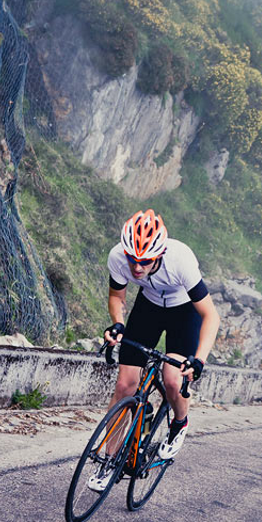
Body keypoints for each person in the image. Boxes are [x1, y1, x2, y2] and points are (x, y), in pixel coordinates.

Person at [88, 209, 220, 492]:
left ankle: (179, 424)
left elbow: (211, 316)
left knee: (172, 378)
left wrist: (199, 359)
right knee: (125, 385)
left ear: (159, 254)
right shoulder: (117, 257)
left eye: (145, 262)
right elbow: (117, 296)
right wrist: (118, 324)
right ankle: (108, 462)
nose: (137, 268)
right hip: (147, 307)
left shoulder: (180, 261)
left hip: (183, 312)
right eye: (132, 260)